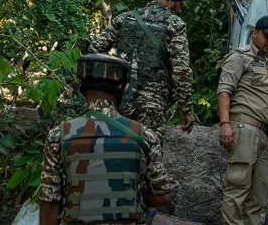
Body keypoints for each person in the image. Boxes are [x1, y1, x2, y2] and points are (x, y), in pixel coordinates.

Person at [39, 53, 176, 225]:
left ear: (82, 88)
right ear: (121, 88)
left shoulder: (58, 136)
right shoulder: (144, 135)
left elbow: (49, 200)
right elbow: (162, 196)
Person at [89, 0, 194, 139]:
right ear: (171, 1)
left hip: (119, 98)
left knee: (118, 149)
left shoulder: (125, 18)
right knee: (149, 153)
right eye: (180, 3)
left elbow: (95, 49)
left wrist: (110, 82)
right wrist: (186, 110)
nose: (180, 8)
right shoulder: (175, 24)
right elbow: (181, 70)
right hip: (152, 103)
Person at [217, 15, 268, 225]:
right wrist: (225, 124)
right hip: (243, 128)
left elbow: (267, 101)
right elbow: (224, 90)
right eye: (266, 36)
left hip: (262, 135)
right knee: (237, 190)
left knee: (258, 197)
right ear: (255, 33)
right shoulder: (239, 57)